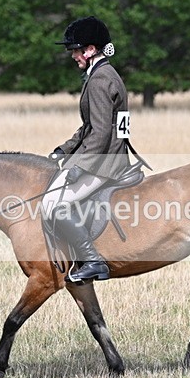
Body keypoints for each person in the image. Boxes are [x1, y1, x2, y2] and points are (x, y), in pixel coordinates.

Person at [42, 16, 131, 283]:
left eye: (75, 50)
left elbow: (102, 133)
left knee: (53, 205)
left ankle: (93, 261)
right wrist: (64, 149)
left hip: (106, 162)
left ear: (90, 49)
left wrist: (79, 166)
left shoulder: (100, 80)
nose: (73, 56)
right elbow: (89, 127)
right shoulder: (102, 74)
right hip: (107, 155)